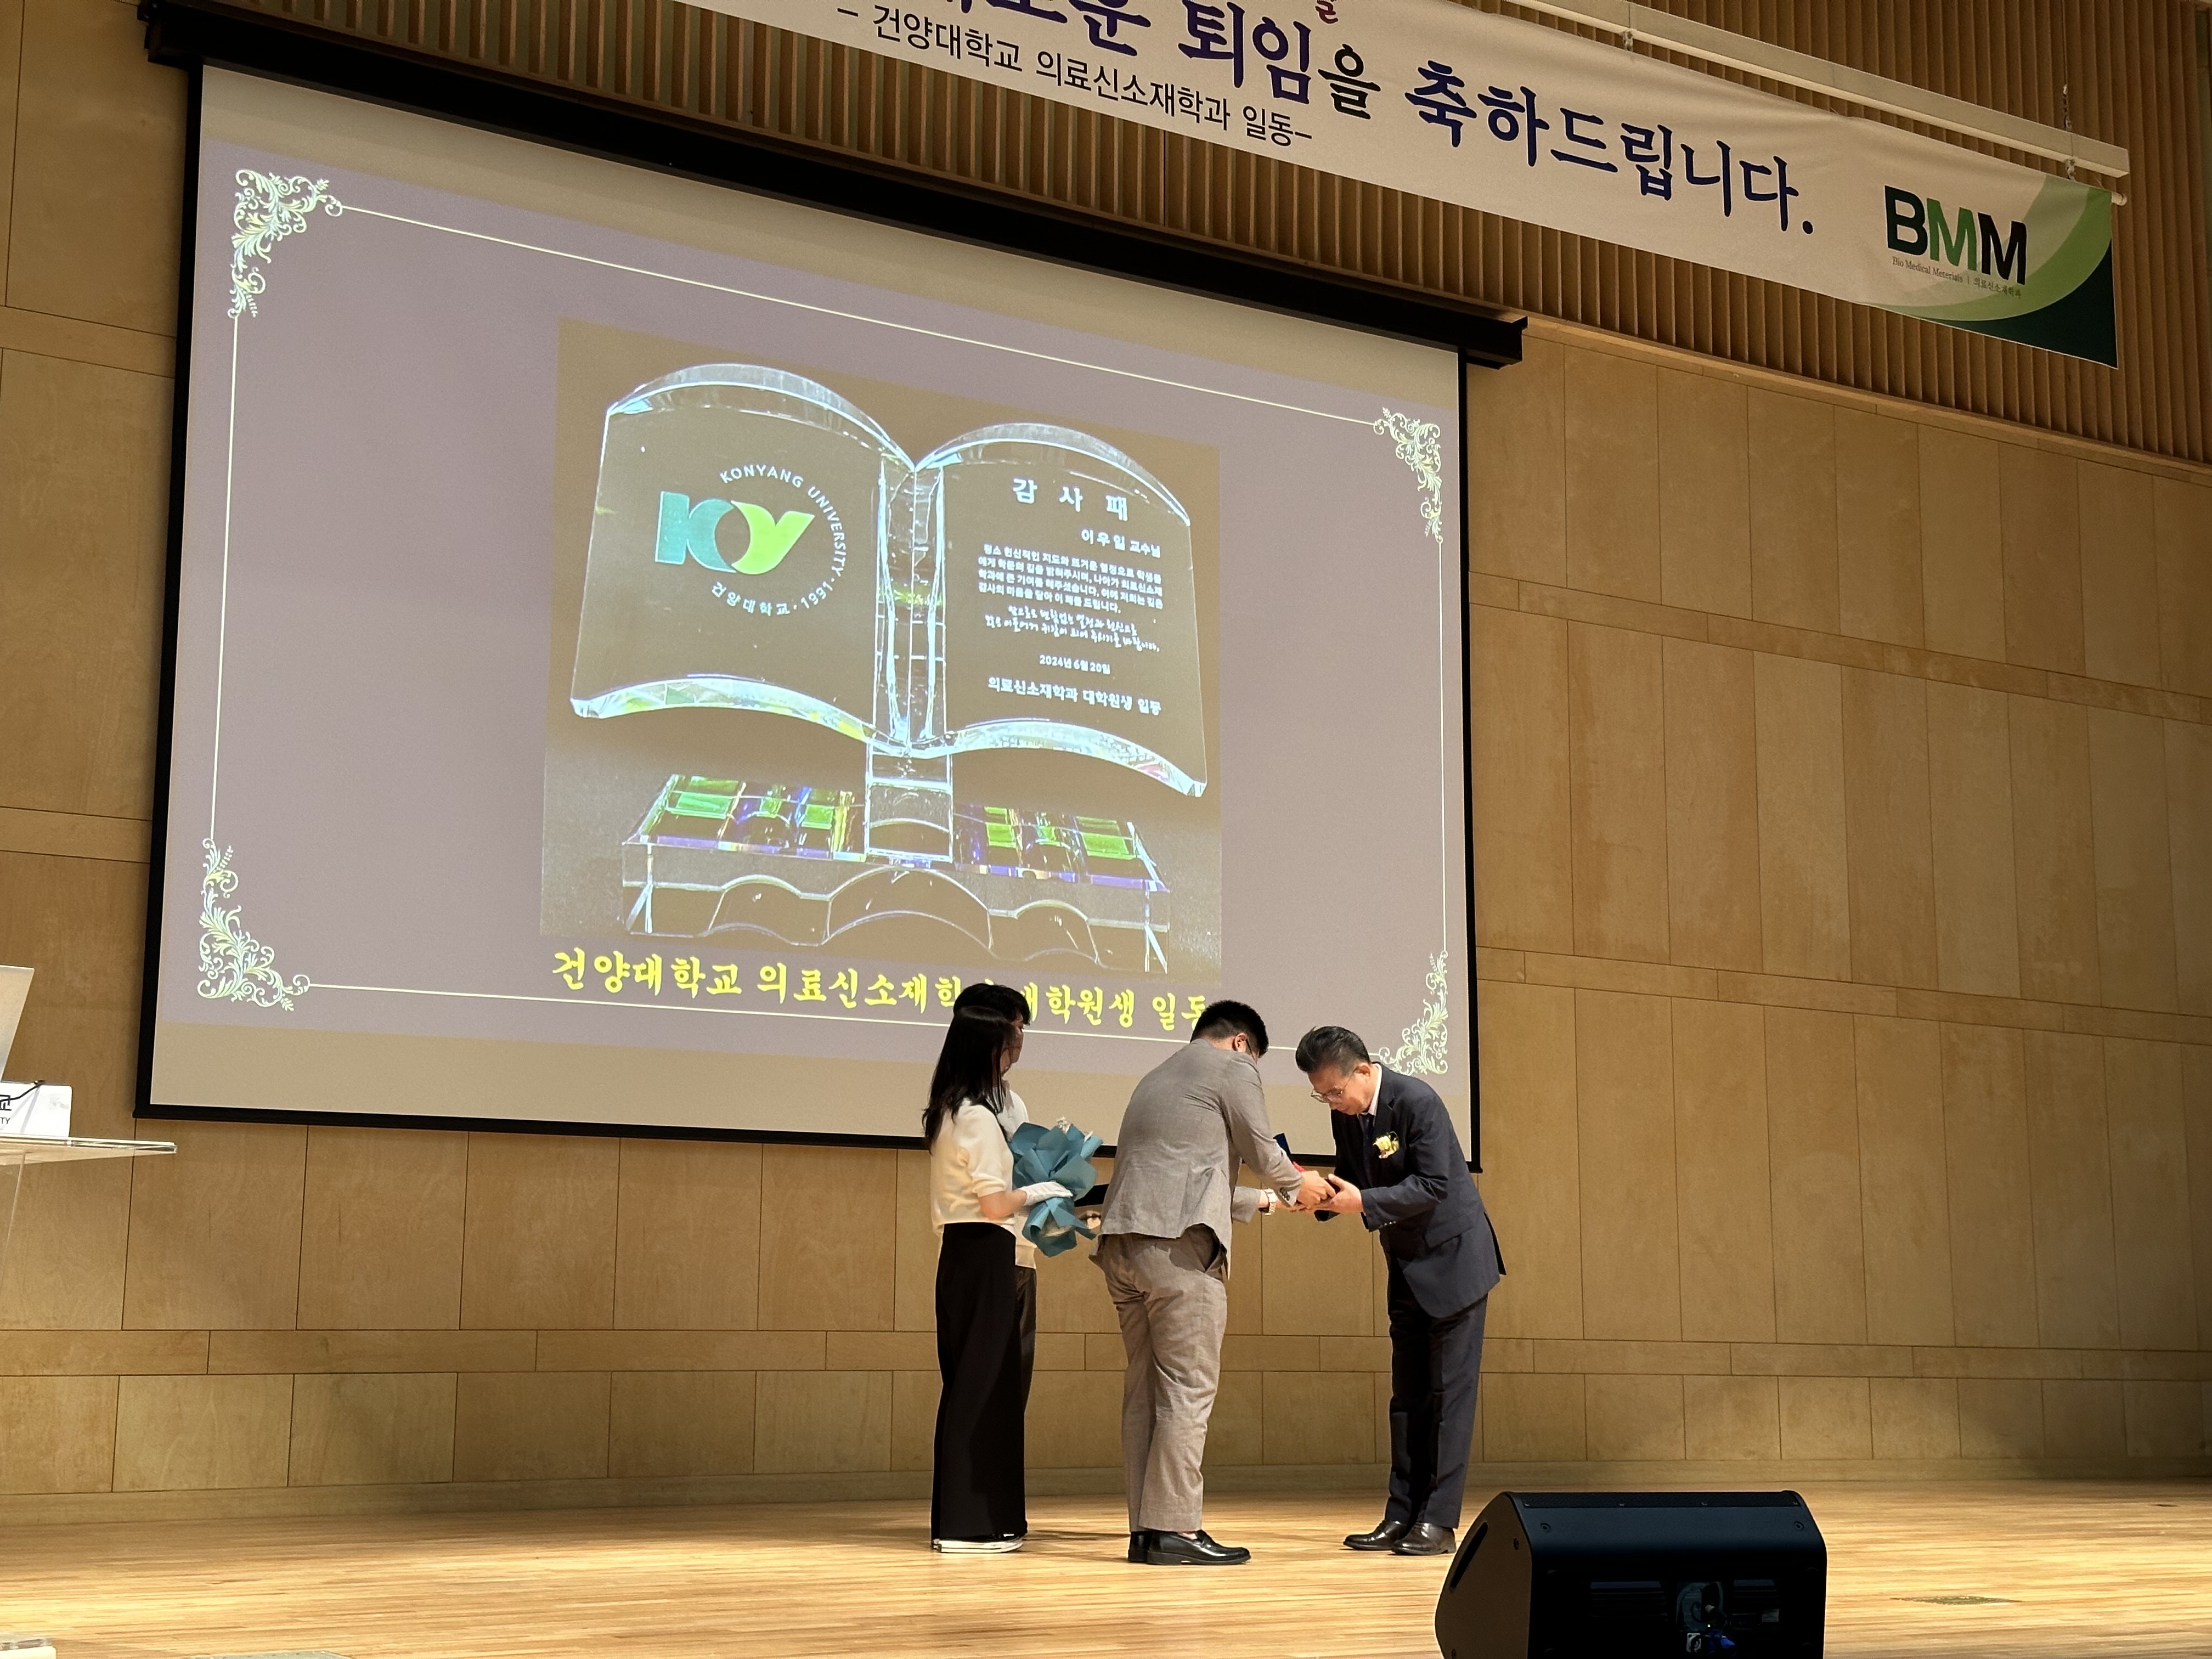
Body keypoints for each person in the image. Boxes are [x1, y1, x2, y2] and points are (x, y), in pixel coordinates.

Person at [1096, 1000, 1333, 1565]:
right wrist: (1304, 1186)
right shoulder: (1232, 1066)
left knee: (1145, 1392)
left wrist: (1269, 1202)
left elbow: (1182, 1174)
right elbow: (1262, 1150)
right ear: (1242, 1043)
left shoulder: (1157, 1077)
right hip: (1179, 1249)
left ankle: (1147, 1531)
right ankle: (1176, 1529)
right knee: (1187, 1388)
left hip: (1124, 1246)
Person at [1295, 1024, 1503, 1558]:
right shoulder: (1346, 1115)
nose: (1332, 1103)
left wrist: (1362, 1203)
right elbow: (1354, 1178)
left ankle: (1439, 1521)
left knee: (1449, 1397)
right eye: (1321, 1096)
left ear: (1364, 1071)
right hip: (1407, 1265)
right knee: (1407, 1396)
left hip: (1455, 1262)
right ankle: (1400, 1514)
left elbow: (1435, 1185)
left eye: (1335, 1092)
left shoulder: (1417, 1101)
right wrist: (1316, 1195)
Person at [924, 996, 1071, 1553]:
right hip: (985, 1247)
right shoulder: (977, 1115)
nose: (1018, 1043)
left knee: (983, 1388)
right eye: (1011, 1035)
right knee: (982, 1389)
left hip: (972, 1253)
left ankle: (983, 1519)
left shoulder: (954, 1107)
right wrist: (1044, 1189)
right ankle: (969, 1523)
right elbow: (994, 1203)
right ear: (987, 1046)